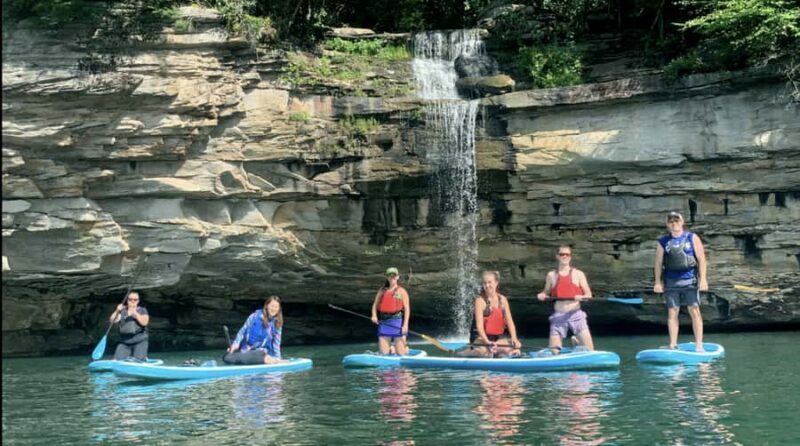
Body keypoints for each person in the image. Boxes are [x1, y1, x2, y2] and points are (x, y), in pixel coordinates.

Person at [653, 211, 708, 351]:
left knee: (694, 310)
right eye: (671, 221)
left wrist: (703, 280)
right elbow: (658, 263)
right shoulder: (663, 242)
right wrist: (658, 283)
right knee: (672, 312)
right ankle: (672, 344)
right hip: (671, 281)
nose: (674, 223)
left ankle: (699, 344)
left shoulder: (692, 237)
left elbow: (701, 259)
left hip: (690, 280)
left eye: (676, 221)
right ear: (667, 224)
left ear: (682, 222)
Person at [536, 246, 595, 355]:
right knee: (554, 353)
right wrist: (542, 295)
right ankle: (576, 346)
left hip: (576, 315)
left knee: (590, 351)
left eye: (567, 254)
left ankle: (578, 345)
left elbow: (589, 294)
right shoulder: (551, 275)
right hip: (558, 316)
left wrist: (582, 297)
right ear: (557, 256)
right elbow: (546, 292)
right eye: (562, 254)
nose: (564, 256)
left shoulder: (578, 274)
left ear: (570, 257)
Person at [459, 271, 521, 358]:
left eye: (489, 282)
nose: (487, 285)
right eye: (485, 283)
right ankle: (465, 353)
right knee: (486, 354)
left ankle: (502, 354)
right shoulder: (480, 301)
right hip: (480, 339)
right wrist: (487, 342)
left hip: (497, 339)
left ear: (496, 283)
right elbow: (479, 327)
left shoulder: (503, 300)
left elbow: (510, 322)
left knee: (515, 350)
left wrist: (514, 339)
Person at [225, 296, 285, 365]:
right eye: (272, 306)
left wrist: (278, 358)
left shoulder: (277, 323)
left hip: (262, 353)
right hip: (246, 351)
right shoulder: (254, 316)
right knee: (227, 358)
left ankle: (271, 360)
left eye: (276, 307)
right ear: (267, 306)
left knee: (259, 353)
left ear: (279, 309)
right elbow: (242, 332)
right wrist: (235, 345)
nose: (273, 309)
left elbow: (276, 343)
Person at [371, 267, 410, 355]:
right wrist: (374, 315)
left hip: (397, 322)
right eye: (389, 275)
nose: (392, 277)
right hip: (384, 322)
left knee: (401, 354)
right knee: (384, 353)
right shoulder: (382, 291)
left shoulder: (402, 291)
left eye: (394, 275)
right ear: (387, 277)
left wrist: (405, 325)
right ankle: (392, 348)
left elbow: (407, 309)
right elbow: (375, 304)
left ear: (397, 277)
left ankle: (405, 348)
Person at [109, 291, 150, 361]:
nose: (132, 301)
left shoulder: (142, 310)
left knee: (138, 361)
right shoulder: (122, 310)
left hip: (140, 341)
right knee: (116, 360)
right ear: (127, 300)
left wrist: (136, 314)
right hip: (125, 342)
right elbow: (112, 320)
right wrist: (116, 310)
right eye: (130, 299)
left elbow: (145, 322)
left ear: (138, 301)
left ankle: (143, 357)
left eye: (135, 299)